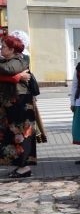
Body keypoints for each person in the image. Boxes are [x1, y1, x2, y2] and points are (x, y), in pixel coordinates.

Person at [0, 34, 37, 178]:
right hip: (11, 104)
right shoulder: (6, 61)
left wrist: (14, 76)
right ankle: (19, 165)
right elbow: (8, 73)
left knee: (22, 134)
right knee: (12, 134)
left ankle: (24, 166)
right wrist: (16, 77)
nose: (1, 49)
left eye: (3, 47)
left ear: (12, 49)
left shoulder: (21, 59)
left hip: (20, 104)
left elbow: (9, 69)